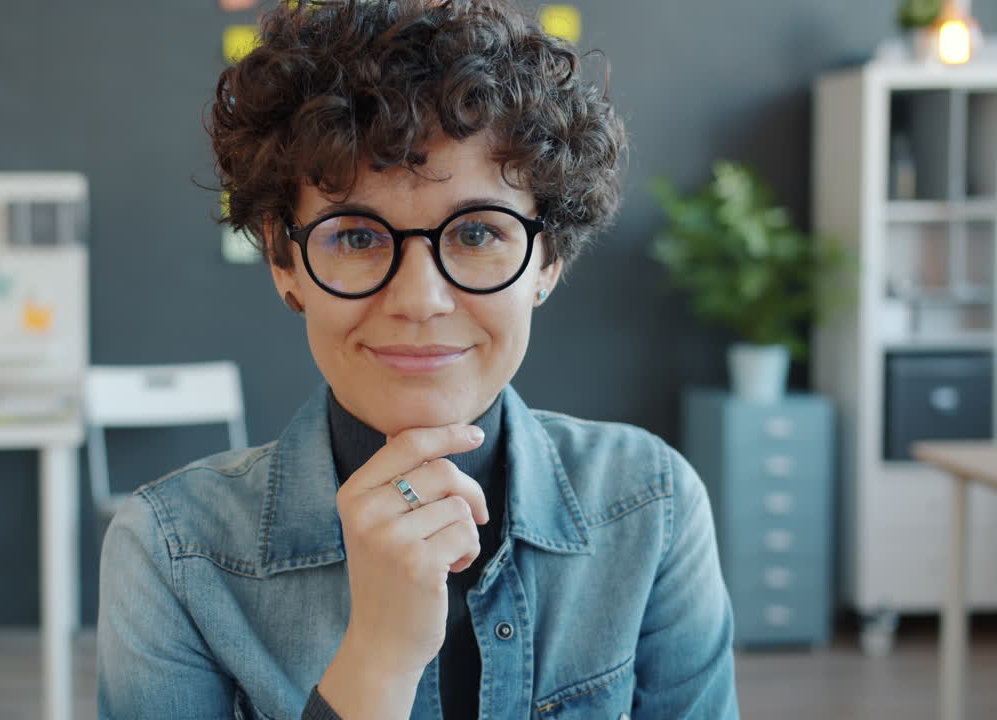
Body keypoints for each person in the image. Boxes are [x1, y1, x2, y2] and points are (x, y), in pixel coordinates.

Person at [97, 1, 738, 718]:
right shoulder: (174, 550)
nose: (420, 300)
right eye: (356, 238)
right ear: (284, 262)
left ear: (547, 259)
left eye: (477, 234)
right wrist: (379, 659)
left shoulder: (650, 504)